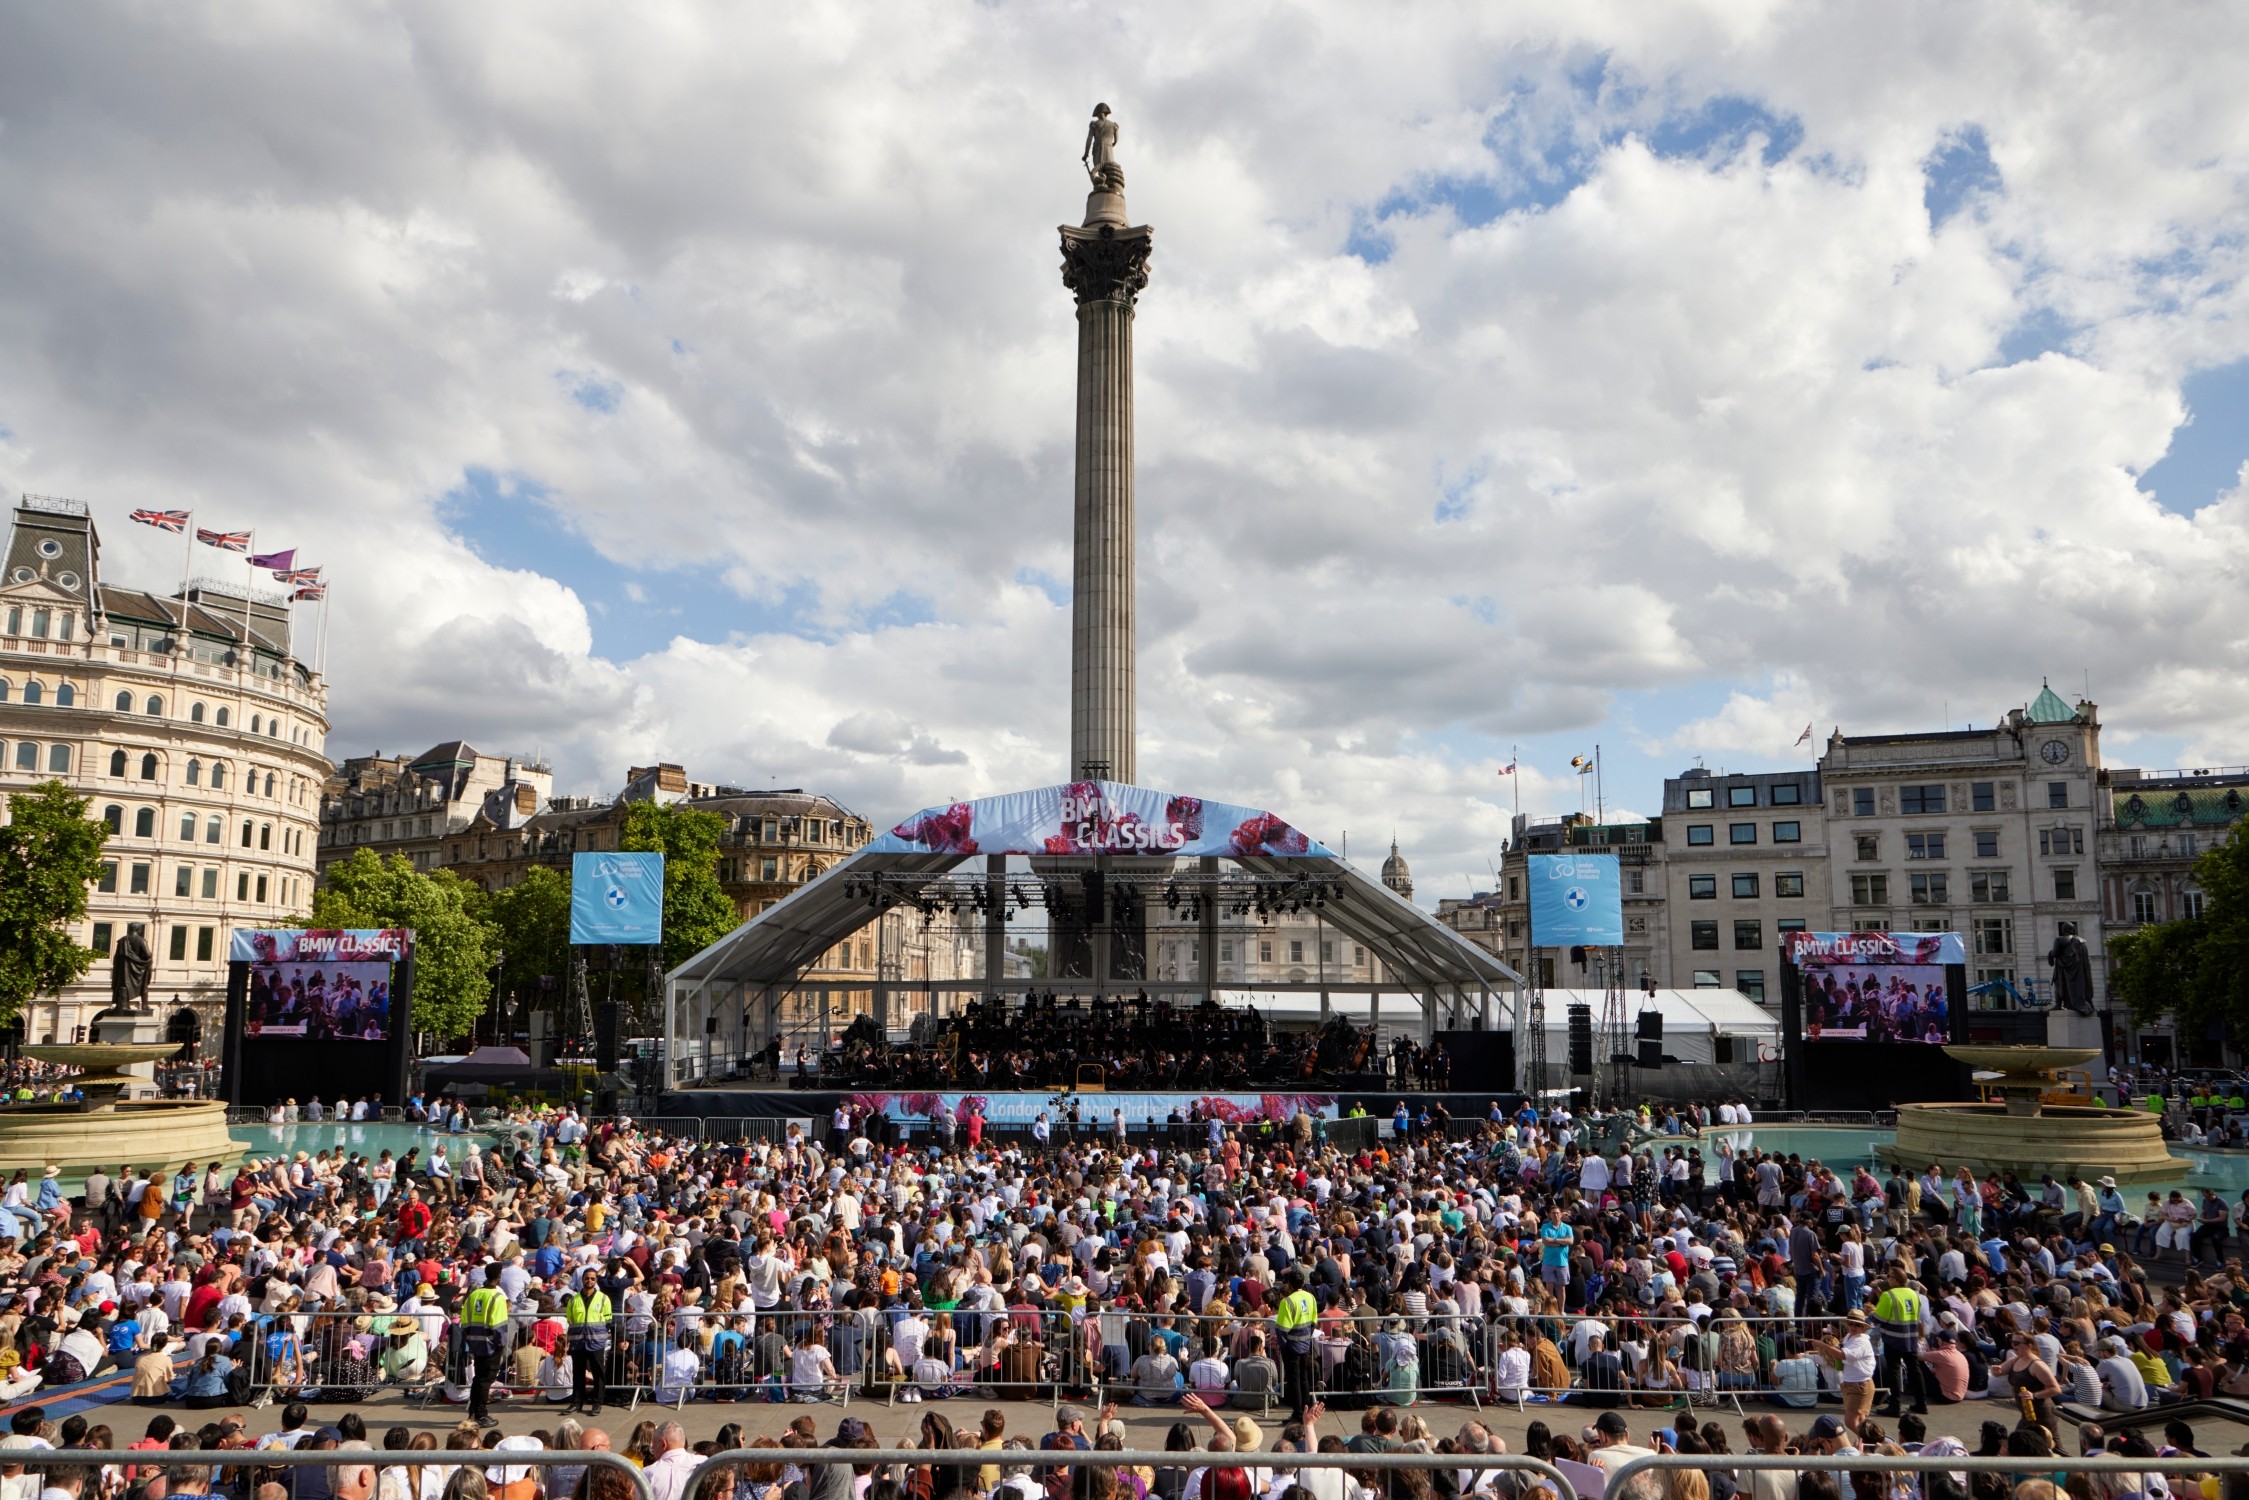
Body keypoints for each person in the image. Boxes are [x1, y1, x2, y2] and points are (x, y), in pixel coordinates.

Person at [458, 1278, 511, 1428]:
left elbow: (465, 1321)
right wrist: (500, 1343)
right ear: (499, 1277)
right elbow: (498, 1325)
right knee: (485, 1379)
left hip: (476, 1342)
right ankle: (480, 1414)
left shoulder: (474, 1295)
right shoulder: (496, 1296)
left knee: (479, 1379)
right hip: (491, 1345)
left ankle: (474, 1411)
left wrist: (469, 1338)